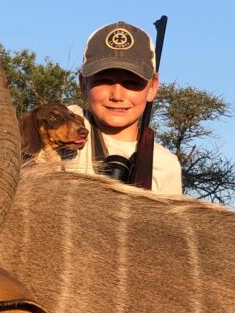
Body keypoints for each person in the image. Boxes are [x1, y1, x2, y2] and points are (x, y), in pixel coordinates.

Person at [65, 21, 182, 195]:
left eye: (131, 83)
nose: (117, 96)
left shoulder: (165, 165)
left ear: (152, 87)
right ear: (83, 84)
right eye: (104, 81)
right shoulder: (62, 130)